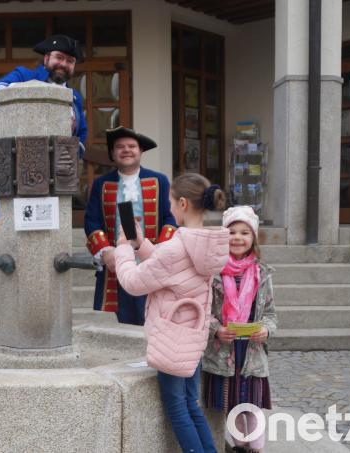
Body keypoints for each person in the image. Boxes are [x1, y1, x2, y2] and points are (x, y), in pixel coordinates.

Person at [114, 173, 229, 453]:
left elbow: (133, 283)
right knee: (192, 405)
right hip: (193, 337)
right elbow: (171, 268)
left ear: (182, 203)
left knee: (178, 410)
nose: (169, 209)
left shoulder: (178, 247)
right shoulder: (208, 244)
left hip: (170, 339)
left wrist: (122, 249)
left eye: (170, 203)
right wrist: (141, 244)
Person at [0, 34, 87, 222]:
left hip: (57, 175)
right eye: (59, 57)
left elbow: (81, 135)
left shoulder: (75, 97)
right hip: (19, 170)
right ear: (46, 58)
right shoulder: (24, 75)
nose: (64, 64)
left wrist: (70, 153)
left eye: (70, 61)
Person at [84, 126, 177, 325]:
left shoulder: (160, 181)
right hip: (117, 263)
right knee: (122, 319)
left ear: (141, 151)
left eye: (132, 146)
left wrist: (161, 250)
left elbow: (171, 218)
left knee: (153, 314)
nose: (126, 150)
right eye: (120, 147)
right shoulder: (101, 183)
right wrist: (105, 251)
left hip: (150, 260)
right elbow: (91, 220)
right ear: (112, 153)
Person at [201, 205, 276, 453]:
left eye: (245, 233)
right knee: (231, 405)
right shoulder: (212, 273)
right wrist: (216, 329)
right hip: (224, 352)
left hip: (251, 353)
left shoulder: (262, 274)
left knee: (252, 406)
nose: (237, 237)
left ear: (253, 238)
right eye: (232, 232)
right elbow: (203, 312)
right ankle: (239, 447)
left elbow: (271, 315)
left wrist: (265, 329)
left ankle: (256, 448)